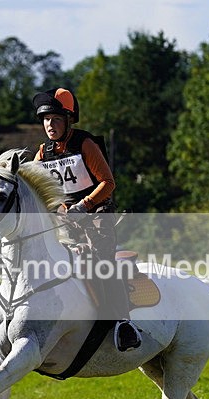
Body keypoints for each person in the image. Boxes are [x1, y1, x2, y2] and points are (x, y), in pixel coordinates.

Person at [32, 87, 141, 352]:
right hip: (65, 218)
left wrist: (84, 205)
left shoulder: (85, 144)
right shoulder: (43, 153)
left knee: (100, 263)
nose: (50, 125)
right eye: (46, 120)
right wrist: (58, 208)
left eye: (56, 119)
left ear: (69, 120)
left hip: (97, 213)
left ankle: (123, 323)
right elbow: (38, 190)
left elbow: (108, 182)